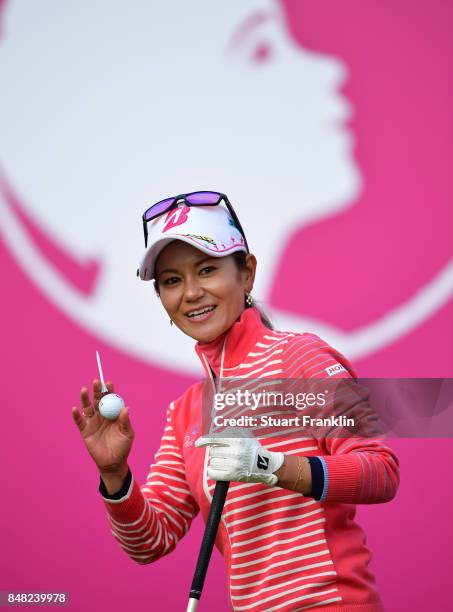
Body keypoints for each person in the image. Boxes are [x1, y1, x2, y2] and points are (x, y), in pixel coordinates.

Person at [72, 191, 400, 612]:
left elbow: (380, 471)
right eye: (172, 280)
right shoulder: (188, 411)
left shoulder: (298, 358)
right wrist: (115, 475)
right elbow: (150, 540)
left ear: (246, 274)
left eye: (207, 269)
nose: (190, 293)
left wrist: (271, 466)